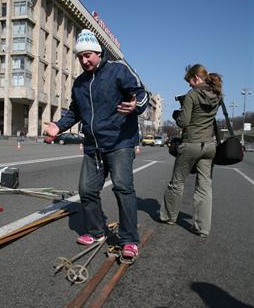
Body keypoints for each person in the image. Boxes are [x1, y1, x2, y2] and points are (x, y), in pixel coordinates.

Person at [44, 29, 149, 260]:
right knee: (87, 190)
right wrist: (58, 127)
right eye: (80, 56)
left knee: (122, 188)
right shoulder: (79, 83)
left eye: (88, 55)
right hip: (93, 146)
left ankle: (129, 239)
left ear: (99, 53)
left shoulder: (117, 70)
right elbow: (74, 112)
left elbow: (141, 94)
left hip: (120, 141)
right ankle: (96, 231)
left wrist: (136, 106)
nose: (84, 60)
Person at [160, 64, 223, 238]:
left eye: (190, 81)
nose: (189, 85)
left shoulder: (192, 95)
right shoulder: (217, 95)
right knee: (204, 187)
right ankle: (202, 228)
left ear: (196, 78)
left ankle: (169, 216)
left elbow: (184, 122)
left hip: (191, 144)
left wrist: (176, 114)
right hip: (209, 146)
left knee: (177, 182)